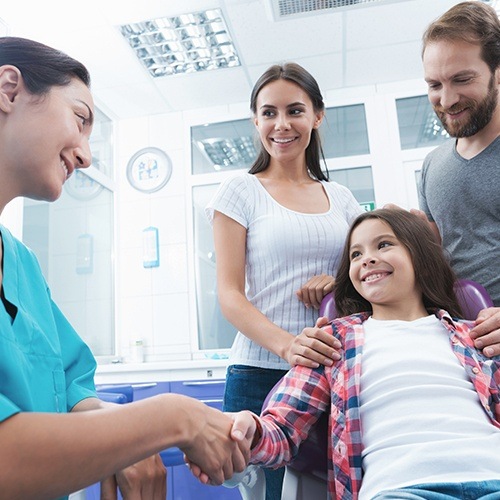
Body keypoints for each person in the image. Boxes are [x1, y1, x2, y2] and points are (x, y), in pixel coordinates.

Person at [0, 36, 250, 500]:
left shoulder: (22, 265)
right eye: (79, 118)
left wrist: (126, 440)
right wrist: (173, 417)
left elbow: (73, 394)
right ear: (9, 90)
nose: (87, 155)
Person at [202, 208, 500, 499]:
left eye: (384, 244)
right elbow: (280, 431)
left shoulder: (472, 334)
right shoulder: (333, 342)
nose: (367, 259)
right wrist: (249, 432)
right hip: (403, 487)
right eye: (356, 254)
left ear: (421, 257)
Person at [205, 62, 363, 498]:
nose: (281, 124)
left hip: (331, 373)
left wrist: (338, 282)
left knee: (329, 490)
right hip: (259, 372)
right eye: (268, 112)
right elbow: (230, 294)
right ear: (256, 121)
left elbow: (366, 277)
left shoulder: (344, 199)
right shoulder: (239, 192)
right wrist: (287, 344)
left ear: (317, 115)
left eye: (295, 110)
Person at [417, 1, 500, 354]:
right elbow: (437, 261)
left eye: (462, 80)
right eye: (434, 84)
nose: (446, 99)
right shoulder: (432, 167)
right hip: (464, 353)